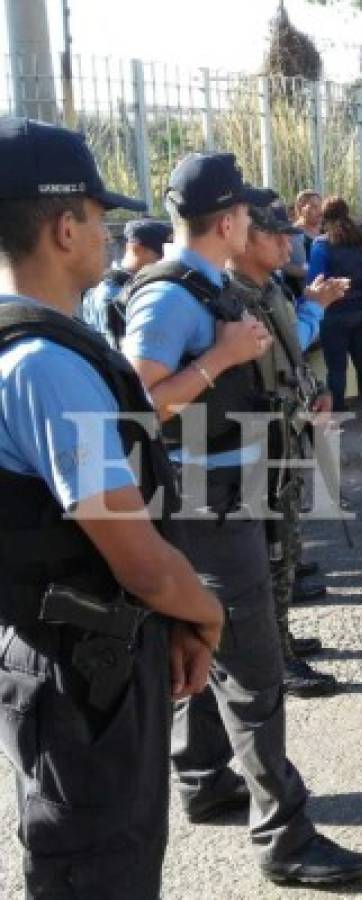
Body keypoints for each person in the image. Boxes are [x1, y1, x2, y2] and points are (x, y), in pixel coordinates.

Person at [121, 151, 362, 885]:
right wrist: (222, 357)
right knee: (254, 672)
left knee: (209, 639)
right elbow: (137, 404)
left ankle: (202, 781)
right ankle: (285, 838)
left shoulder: (208, 285)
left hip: (230, 494)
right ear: (228, 221)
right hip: (205, 507)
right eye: (251, 215)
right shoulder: (169, 296)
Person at [0, 115, 224, 900]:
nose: (109, 234)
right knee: (100, 868)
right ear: (65, 227)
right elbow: (135, 554)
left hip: (86, 642)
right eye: (101, 218)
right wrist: (202, 613)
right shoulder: (44, 367)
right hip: (77, 667)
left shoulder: (40, 345)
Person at [227, 202, 348, 698]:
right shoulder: (230, 297)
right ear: (245, 237)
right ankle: (275, 658)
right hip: (259, 447)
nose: (287, 243)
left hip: (286, 432)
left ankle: (282, 641)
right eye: (275, 235)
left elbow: (291, 354)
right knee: (272, 555)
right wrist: (315, 308)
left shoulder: (270, 288)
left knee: (286, 551)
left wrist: (313, 388)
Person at [307, 196, 362, 427]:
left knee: (336, 367)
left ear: (324, 217)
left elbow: (316, 279)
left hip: (333, 314)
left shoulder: (321, 245)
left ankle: (338, 414)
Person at [79, 217, 172, 347]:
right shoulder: (113, 293)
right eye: (161, 255)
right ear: (137, 249)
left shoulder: (111, 285)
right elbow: (118, 351)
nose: (165, 261)